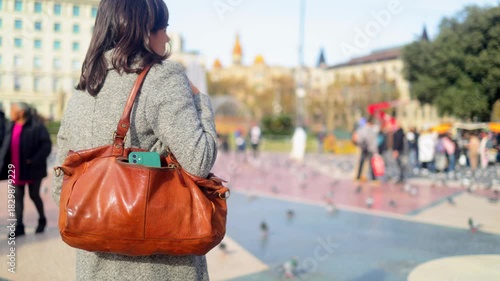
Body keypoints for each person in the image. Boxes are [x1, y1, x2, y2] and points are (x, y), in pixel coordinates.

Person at [52, 0, 217, 280]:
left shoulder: (84, 87)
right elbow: (199, 159)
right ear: (143, 31)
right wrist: (200, 99)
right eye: (162, 28)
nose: (166, 37)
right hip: (160, 268)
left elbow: (61, 186)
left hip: (93, 267)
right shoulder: (163, 77)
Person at [0, 102, 52, 237]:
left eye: (13, 110)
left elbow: (46, 145)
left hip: (33, 169)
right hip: (15, 169)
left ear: (21, 112)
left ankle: (42, 220)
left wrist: (35, 159)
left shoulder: (37, 126)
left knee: (34, 195)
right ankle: (19, 227)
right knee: (17, 198)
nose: (10, 112)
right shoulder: (11, 125)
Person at [354, 116, 379, 181]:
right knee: (370, 163)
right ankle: (373, 178)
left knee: (363, 162)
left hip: (365, 148)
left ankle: (359, 176)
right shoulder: (371, 130)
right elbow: (373, 141)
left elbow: (359, 138)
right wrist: (375, 150)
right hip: (369, 148)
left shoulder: (364, 129)